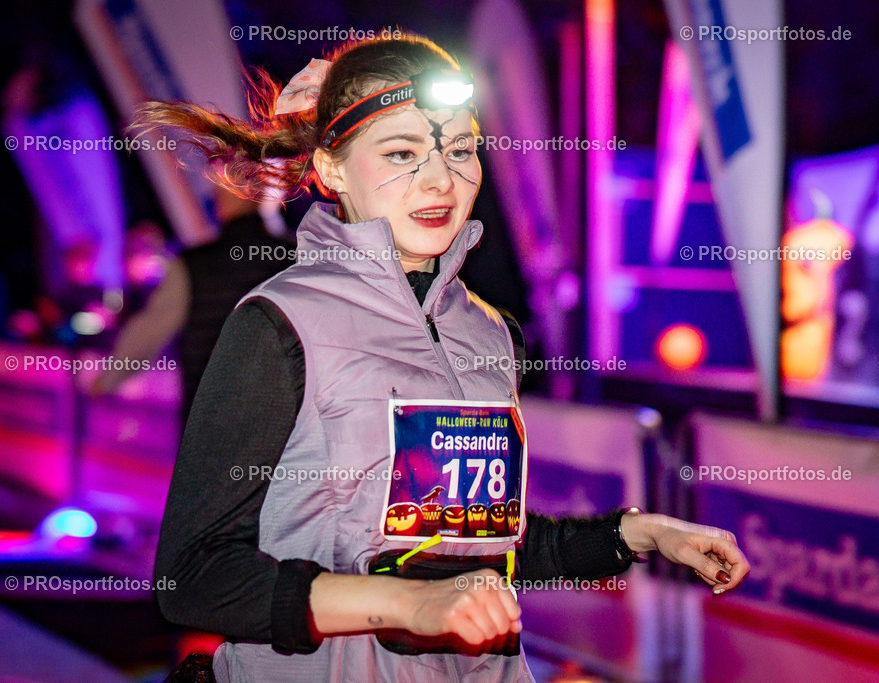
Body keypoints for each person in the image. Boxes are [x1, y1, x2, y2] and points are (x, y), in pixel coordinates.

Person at [142, 34, 749, 682]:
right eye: (402, 153)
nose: (441, 179)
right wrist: (408, 604)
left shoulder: (491, 333)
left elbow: (482, 545)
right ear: (333, 167)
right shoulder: (280, 322)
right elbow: (195, 577)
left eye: (461, 150)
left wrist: (640, 534)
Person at [90, 185, 296, 424]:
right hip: (282, 422)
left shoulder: (192, 265)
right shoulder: (294, 256)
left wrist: (108, 380)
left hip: (210, 421)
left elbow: (149, 331)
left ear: (221, 202)